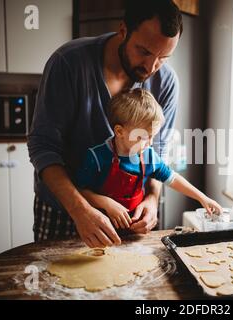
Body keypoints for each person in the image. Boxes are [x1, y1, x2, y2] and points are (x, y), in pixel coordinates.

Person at [27, 0, 183, 247]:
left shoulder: (166, 82)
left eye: (163, 57)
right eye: (144, 51)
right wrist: (80, 210)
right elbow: (43, 148)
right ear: (123, 30)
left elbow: (157, 154)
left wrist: (152, 200)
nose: (151, 67)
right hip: (65, 209)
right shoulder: (69, 62)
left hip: (130, 216)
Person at [74, 89, 222, 247]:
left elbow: (172, 178)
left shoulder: (148, 155)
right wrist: (106, 203)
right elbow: (81, 191)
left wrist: (202, 198)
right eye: (143, 137)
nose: (150, 143)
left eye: (153, 136)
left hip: (135, 234)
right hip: (101, 233)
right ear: (119, 131)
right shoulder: (97, 157)